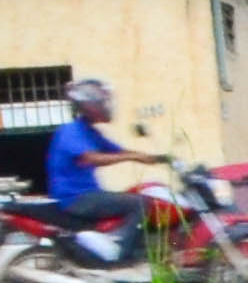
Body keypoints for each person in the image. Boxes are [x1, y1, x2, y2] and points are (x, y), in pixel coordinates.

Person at [41, 78, 160, 269]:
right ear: (89, 105)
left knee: (141, 195)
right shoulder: (71, 131)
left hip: (88, 195)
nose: (107, 105)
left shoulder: (90, 132)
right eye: (103, 101)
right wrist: (133, 156)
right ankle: (120, 253)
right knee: (141, 203)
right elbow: (92, 158)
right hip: (76, 198)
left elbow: (118, 151)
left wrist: (155, 157)